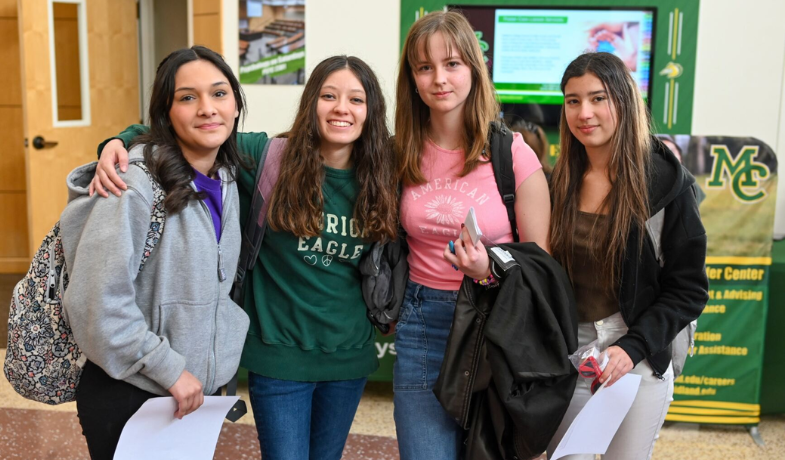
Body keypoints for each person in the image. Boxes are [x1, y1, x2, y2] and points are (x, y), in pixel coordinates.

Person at [90, 55, 399, 460]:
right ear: (311, 104)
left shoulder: (384, 173)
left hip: (349, 358)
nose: (342, 108)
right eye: (328, 96)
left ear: (371, 111)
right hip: (278, 358)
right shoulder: (269, 158)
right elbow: (182, 130)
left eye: (356, 100)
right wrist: (116, 141)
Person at [61, 46, 250, 459]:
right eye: (187, 97)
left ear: (236, 104)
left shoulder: (228, 178)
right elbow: (96, 302)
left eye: (219, 94)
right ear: (166, 112)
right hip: (133, 392)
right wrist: (169, 369)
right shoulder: (133, 183)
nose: (207, 109)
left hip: (192, 393)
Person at [392, 10, 551, 459]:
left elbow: (540, 264)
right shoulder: (398, 152)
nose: (439, 79)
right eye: (425, 67)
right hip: (422, 321)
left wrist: (487, 269)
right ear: (413, 79)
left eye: (452, 64)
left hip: (494, 323)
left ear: (473, 71)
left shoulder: (512, 154)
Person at [546, 52, 708, 459]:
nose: (585, 112)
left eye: (599, 98)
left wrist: (631, 347)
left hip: (638, 355)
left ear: (624, 99)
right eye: (573, 100)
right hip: (571, 352)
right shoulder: (557, 181)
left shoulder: (666, 182)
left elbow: (688, 289)